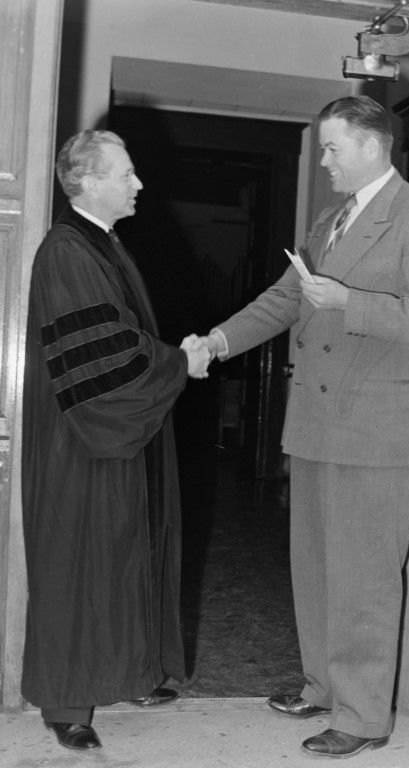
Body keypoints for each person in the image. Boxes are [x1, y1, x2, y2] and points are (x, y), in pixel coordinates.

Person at [204, 96, 409, 759]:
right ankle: (323, 687)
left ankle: (364, 716)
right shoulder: (330, 219)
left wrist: (350, 301)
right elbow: (286, 298)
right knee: (317, 569)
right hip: (317, 422)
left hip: (376, 430)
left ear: (372, 146)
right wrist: (219, 341)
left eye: (332, 147)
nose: (323, 161)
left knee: (365, 579)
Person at [21, 130, 210, 751]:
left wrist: (171, 361)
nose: (139, 183)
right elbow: (106, 360)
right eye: (126, 174)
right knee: (79, 566)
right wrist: (180, 362)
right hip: (82, 443)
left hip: (119, 439)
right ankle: (66, 703)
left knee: (127, 559)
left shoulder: (102, 243)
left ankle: (128, 673)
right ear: (87, 181)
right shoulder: (67, 251)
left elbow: (118, 345)